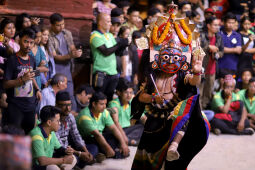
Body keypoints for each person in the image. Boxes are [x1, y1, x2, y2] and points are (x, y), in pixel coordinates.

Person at [131, 4, 210, 169]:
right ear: (158, 58)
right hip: (154, 121)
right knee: (146, 159)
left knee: (183, 116)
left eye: (175, 57)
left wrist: (196, 72)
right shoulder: (152, 76)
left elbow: (193, 83)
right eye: (166, 57)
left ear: (182, 59)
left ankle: (174, 146)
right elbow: (140, 96)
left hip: (172, 120)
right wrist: (153, 97)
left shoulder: (182, 75)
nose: (170, 61)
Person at [3, 28, 42, 134]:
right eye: (26, 41)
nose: (28, 45)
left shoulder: (32, 60)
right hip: (16, 106)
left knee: (28, 134)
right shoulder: (12, 60)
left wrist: (38, 89)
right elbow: (5, 84)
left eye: (31, 43)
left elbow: (33, 76)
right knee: (15, 136)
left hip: (30, 105)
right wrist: (21, 80)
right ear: (19, 40)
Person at [76, 92, 130, 159]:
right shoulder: (84, 116)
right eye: (101, 104)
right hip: (87, 139)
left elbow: (114, 128)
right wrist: (108, 148)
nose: (104, 106)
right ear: (93, 104)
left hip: (100, 136)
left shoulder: (104, 112)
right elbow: (97, 135)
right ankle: (107, 153)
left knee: (117, 138)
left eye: (105, 104)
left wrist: (123, 144)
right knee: (94, 149)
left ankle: (105, 153)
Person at [90, 13, 128, 102]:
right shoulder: (95, 36)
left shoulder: (109, 35)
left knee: (109, 99)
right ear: (100, 22)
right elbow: (106, 51)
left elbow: (116, 51)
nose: (110, 24)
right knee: (99, 99)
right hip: (101, 74)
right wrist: (120, 43)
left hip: (113, 73)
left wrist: (125, 44)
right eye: (108, 21)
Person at [48, 13, 82, 107]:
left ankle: (71, 118)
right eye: (58, 25)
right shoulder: (49, 36)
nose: (61, 27)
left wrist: (76, 52)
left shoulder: (67, 33)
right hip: (56, 69)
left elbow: (72, 47)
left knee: (69, 95)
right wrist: (70, 55)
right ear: (52, 25)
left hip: (67, 69)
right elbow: (54, 56)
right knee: (57, 96)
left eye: (63, 24)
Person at [55, 91, 94, 168]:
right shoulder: (53, 119)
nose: (68, 108)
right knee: (74, 158)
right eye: (64, 105)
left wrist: (86, 152)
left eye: (69, 105)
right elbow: (59, 146)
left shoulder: (70, 116)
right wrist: (79, 153)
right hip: (57, 152)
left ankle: (77, 163)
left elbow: (76, 136)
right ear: (57, 105)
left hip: (69, 149)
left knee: (93, 149)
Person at [30, 105, 77, 170]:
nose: (59, 123)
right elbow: (42, 161)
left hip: (47, 163)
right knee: (53, 167)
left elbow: (59, 149)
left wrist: (67, 151)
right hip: (36, 167)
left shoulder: (51, 132)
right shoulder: (36, 135)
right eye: (57, 121)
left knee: (72, 158)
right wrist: (63, 160)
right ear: (49, 122)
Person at [108, 78, 144, 146]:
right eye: (126, 92)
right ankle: (130, 141)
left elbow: (143, 117)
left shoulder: (132, 102)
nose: (129, 95)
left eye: (131, 93)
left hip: (129, 130)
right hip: (118, 130)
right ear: (119, 93)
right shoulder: (113, 104)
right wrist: (123, 136)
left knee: (142, 127)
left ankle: (130, 141)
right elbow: (116, 123)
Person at [199, 16, 223, 109]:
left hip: (212, 68)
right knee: (199, 92)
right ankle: (198, 111)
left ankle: (204, 110)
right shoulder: (201, 35)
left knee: (208, 92)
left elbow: (221, 51)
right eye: (215, 25)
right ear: (208, 25)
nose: (217, 27)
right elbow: (196, 49)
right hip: (200, 68)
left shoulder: (219, 36)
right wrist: (208, 47)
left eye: (218, 25)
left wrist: (217, 54)